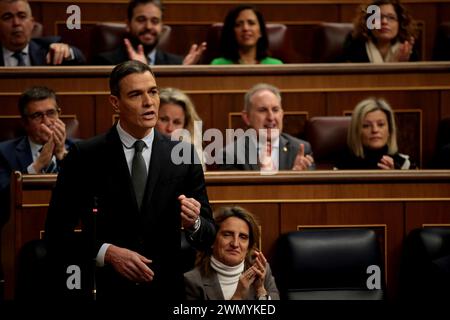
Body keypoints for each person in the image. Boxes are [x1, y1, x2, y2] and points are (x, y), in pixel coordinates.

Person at [44, 60, 216, 301]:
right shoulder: (85, 156)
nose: (148, 102)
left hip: (165, 290)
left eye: (153, 92)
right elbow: (56, 234)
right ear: (115, 102)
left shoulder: (183, 155)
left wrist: (194, 222)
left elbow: (208, 235)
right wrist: (108, 253)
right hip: (106, 290)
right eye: (136, 94)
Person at [0, 86, 74, 226]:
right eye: (37, 116)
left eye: (51, 113)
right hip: (25, 224)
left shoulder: (79, 149)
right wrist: (37, 166)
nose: (46, 122)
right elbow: (3, 199)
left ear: (59, 114)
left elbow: (89, 191)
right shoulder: (4, 152)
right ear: (25, 123)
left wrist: (61, 154)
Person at [184, 206, 280, 300]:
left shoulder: (261, 270)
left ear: (248, 247)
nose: (235, 244)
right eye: (227, 234)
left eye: (243, 237)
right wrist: (237, 296)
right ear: (212, 240)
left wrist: (260, 291)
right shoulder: (193, 282)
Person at [219, 83, 314, 171]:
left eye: (275, 110)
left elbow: (315, 188)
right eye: (262, 110)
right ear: (247, 117)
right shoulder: (230, 155)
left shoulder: (300, 150)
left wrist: (296, 175)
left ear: (282, 114)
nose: (271, 117)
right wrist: (261, 174)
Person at [93, 0, 205, 65]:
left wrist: (183, 74)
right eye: (141, 20)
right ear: (128, 24)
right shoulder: (106, 62)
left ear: (161, 26)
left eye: (155, 21)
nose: (148, 26)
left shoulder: (176, 64)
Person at [335, 97, 414, 169]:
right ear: (356, 132)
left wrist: (394, 177)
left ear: (390, 130)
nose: (375, 130)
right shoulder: (343, 165)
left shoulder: (404, 164)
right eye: (366, 126)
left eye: (381, 124)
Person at [0, 0, 85, 66]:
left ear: (32, 23)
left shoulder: (47, 49)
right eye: (7, 18)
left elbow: (80, 59)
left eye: (22, 16)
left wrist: (68, 52)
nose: (16, 23)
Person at [342, 0, 419, 63]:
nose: (384, 22)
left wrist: (403, 65)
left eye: (391, 18)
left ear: (400, 23)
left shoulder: (408, 46)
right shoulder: (354, 42)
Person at [210, 5, 282, 65]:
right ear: (231, 32)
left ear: (261, 32)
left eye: (251, 23)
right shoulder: (218, 64)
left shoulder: (275, 65)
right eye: (238, 24)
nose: (245, 28)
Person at [156, 87, 204, 170]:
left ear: (185, 126)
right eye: (164, 119)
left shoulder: (191, 151)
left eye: (177, 122)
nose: (169, 128)